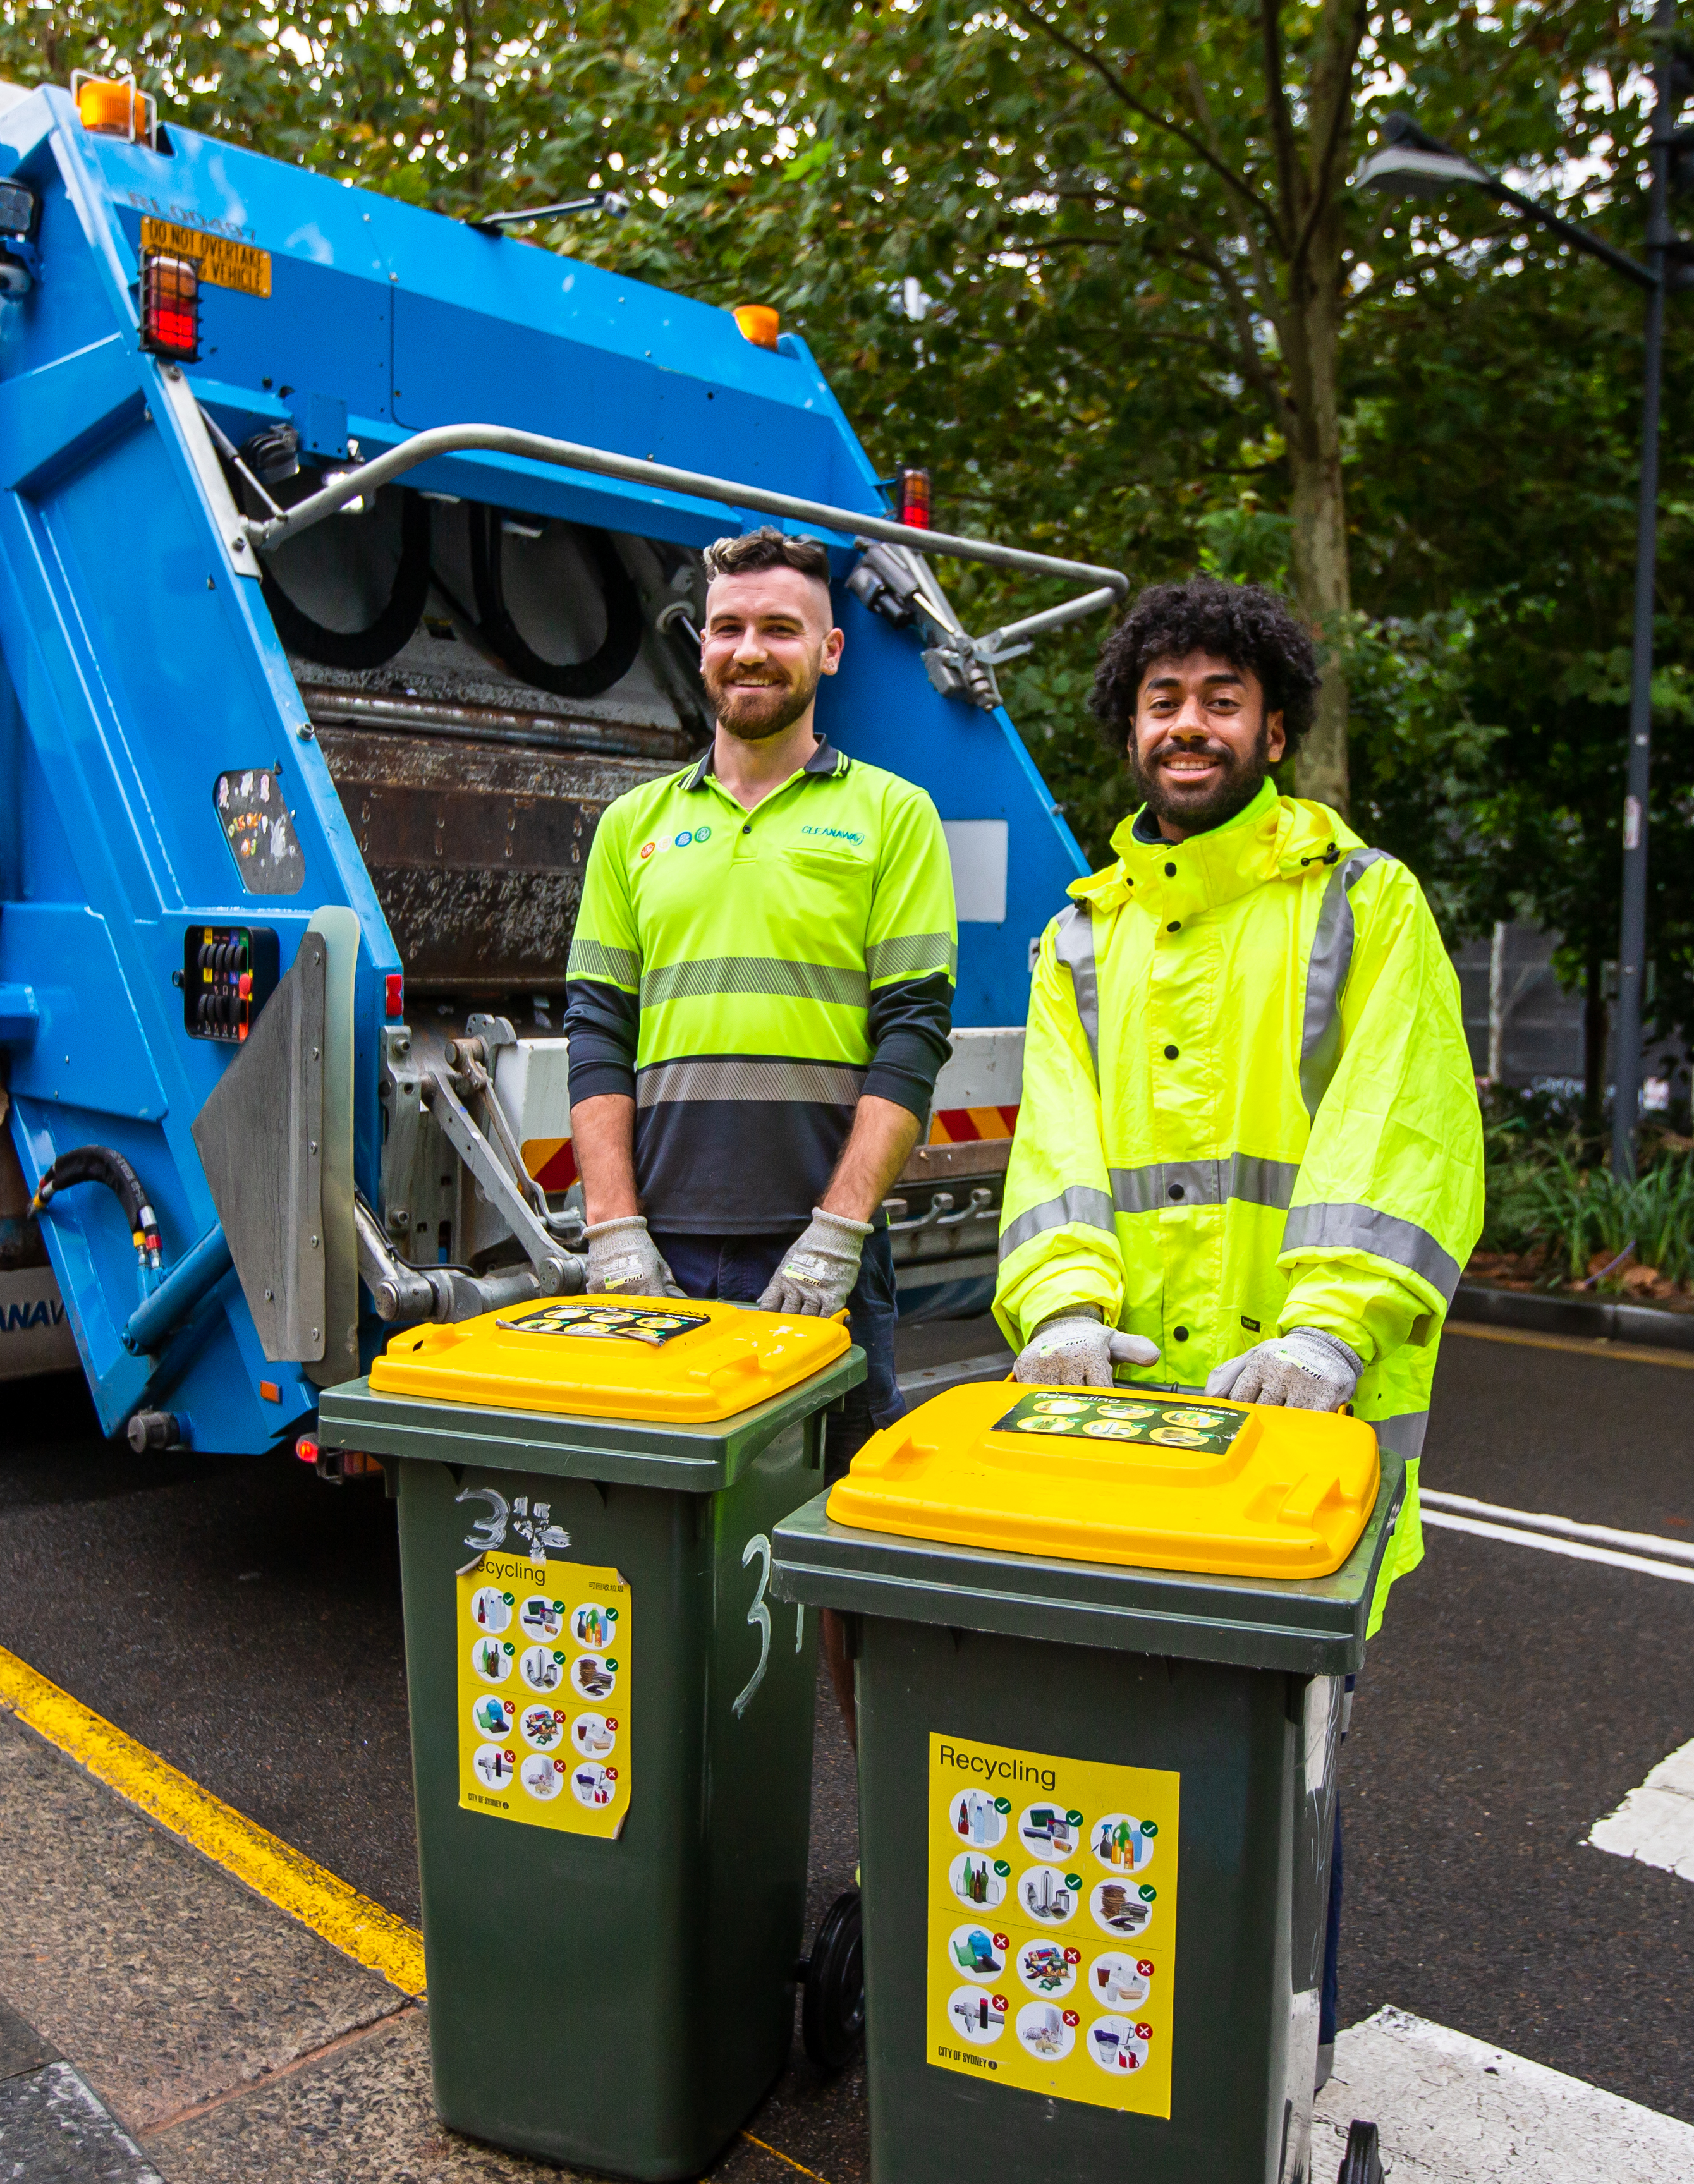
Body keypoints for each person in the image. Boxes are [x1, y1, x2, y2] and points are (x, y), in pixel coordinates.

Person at [991, 576, 1484, 2080]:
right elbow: (1056, 1148)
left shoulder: (1361, 901)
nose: (1188, 725)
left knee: (1284, 1787)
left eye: (1220, 699)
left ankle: (1273, 2087)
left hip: (1300, 1439)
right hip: (1131, 1433)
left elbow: (1401, 1131)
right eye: (1163, 700)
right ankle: (1135, 2082)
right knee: (1129, 1770)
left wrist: (1332, 1331)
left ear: (1274, 726)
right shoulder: (1082, 937)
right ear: (1129, 728)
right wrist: (1064, 1301)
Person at [564, 526, 958, 1735]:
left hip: (820, 1271)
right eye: (728, 628)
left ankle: (881, 1856)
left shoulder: (893, 818)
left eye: (779, 628)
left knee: (843, 1571)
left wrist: (836, 1237)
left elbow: (910, 1039)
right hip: (664, 1268)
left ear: (830, 650)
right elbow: (597, 1037)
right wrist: (615, 1230)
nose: (749, 650)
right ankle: (679, 1850)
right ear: (698, 646)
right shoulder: (635, 825)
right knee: (658, 1564)